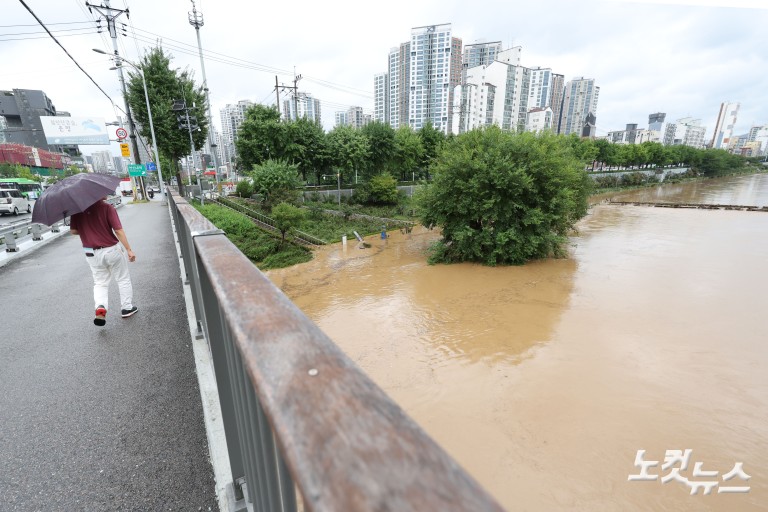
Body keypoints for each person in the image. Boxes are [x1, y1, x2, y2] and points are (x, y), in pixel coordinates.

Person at [69, 197, 138, 326]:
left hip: (91, 253)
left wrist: (87, 230)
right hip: (110, 250)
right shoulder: (107, 208)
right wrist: (129, 249)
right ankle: (127, 308)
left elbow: (73, 230)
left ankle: (100, 309)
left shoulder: (77, 211)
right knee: (122, 279)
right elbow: (118, 230)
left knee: (100, 283)